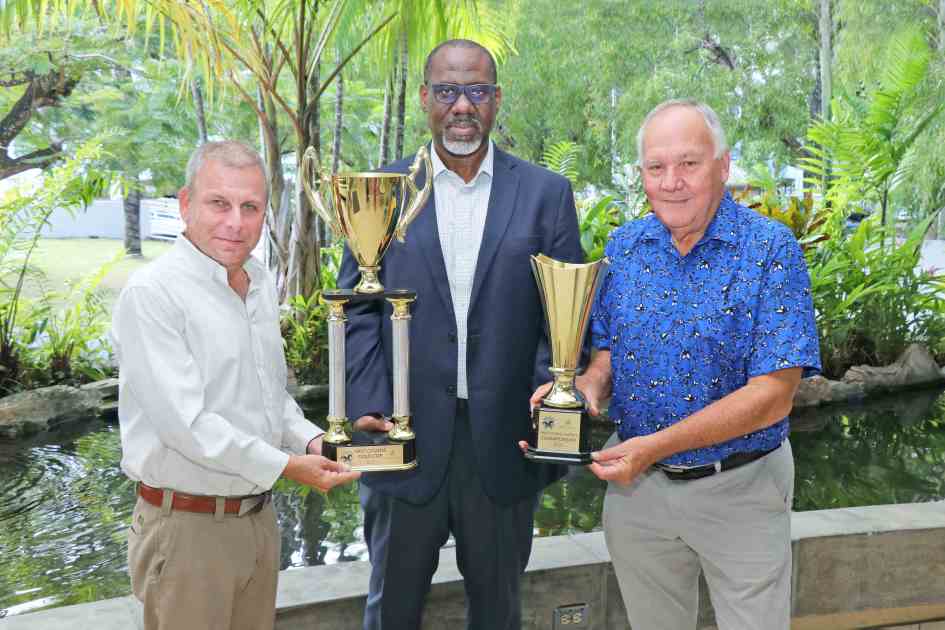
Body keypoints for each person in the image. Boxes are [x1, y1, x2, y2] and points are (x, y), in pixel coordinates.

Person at [535, 99, 821, 629]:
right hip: (638, 497)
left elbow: (774, 393)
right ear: (642, 173)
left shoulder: (769, 249)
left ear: (723, 165)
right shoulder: (625, 247)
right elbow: (609, 355)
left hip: (742, 487)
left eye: (689, 163)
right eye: (656, 167)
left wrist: (652, 447)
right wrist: (583, 392)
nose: (672, 182)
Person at [338, 39, 583, 630]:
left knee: (498, 612)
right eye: (447, 91)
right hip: (404, 443)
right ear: (425, 98)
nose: (461, 105)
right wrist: (372, 404)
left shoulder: (546, 194)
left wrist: (549, 400)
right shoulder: (381, 191)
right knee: (390, 611)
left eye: (475, 90)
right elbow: (357, 309)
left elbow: (565, 315)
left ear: (496, 100)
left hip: (503, 445)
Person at [111, 140, 360, 630]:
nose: (235, 222)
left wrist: (314, 440)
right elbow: (189, 427)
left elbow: (272, 398)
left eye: (250, 207)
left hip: (257, 520)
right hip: (187, 533)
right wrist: (290, 465)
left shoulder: (259, 282)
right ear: (185, 204)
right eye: (218, 203)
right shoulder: (152, 295)